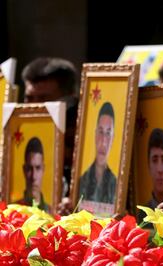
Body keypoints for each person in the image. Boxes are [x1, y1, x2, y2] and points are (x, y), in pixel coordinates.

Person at [22, 57, 79, 197]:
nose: (33, 107)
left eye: (43, 98)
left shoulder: (80, 134)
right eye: (29, 98)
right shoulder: (16, 130)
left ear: (69, 97)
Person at [78, 102, 117, 204]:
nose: (103, 141)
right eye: (100, 132)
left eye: (108, 133)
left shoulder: (117, 185)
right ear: (95, 134)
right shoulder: (81, 180)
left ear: (113, 139)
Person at [16, 137, 50, 212]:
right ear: (24, 170)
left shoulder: (52, 212)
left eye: (38, 168)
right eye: (29, 169)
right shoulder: (13, 212)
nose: (33, 176)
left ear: (43, 169)